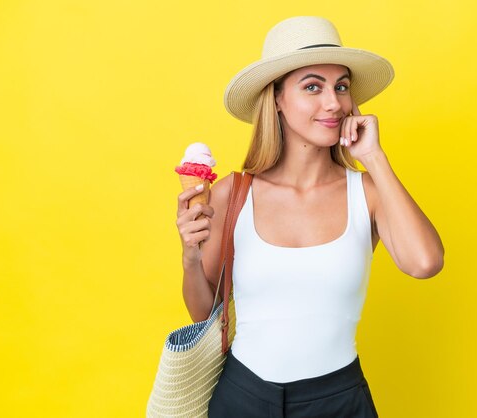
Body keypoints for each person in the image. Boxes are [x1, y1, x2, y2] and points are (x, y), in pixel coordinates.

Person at [175, 16, 444, 418]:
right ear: (277, 99)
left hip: (338, 400)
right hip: (242, 397)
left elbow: (425, 263)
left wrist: (373, 157)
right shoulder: (234, 193)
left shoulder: (366, 192)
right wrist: (190, 258)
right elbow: (204, 315)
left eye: (341, 87)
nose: (334, 103)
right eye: (313, 87)